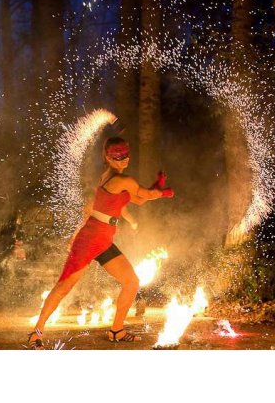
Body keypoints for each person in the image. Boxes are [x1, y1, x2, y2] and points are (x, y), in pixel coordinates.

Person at [27, 137, 174, 349]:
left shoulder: (115, 178)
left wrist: (157, 186)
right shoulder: (121, 180)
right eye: (118, 156)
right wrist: (165, 191)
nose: (124, 159)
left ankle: (117, 330)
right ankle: (35, 333)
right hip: (90, 240)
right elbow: (146, 194)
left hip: (103, 240)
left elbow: (140, 198)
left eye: (126, 154)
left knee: (131, 282)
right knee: (63, 287)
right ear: (107, 156)